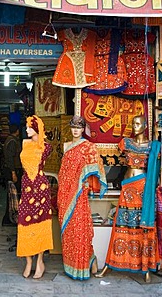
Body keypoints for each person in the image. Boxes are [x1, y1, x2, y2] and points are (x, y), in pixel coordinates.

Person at [95, 115, 161, 282]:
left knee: (141, 225)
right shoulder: (126, 143)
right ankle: (112, 262)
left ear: (146, 126)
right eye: (133, 123)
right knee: (121, 224)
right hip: (127, 188)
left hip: (142, 189)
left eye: (138, 123)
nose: (135, 126)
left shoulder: (153, 146)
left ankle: (144, 266)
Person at [57, 115, 107, 280]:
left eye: (78, 128)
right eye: (73, 127)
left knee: (80, 231)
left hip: (79, 195)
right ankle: (72, 266)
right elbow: (64, 171)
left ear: (82, 129)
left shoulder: (88, 147)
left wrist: (86, 183)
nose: (76, 130)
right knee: (69, 232)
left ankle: (85, 264)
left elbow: (96, 167)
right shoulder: (66, 146)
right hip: (64, 193)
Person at [17, 115, 53, 279]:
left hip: (41, 188)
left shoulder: (46, 147)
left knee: (40, 224)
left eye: (29, 127)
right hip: (27, 188)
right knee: (24, 223)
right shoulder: (24, 143)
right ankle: (28, 261)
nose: (26, 130)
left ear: (37, 128)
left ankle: (39, 261)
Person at [2, 124, 23, 227]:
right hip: (11, 171)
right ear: (17, 131)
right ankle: (8, 219)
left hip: (12, 170)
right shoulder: (12, 142)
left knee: (12, 194)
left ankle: (10, 218)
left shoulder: (10, 140)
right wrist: (13, 172)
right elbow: (10, 158)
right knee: (12, 194)